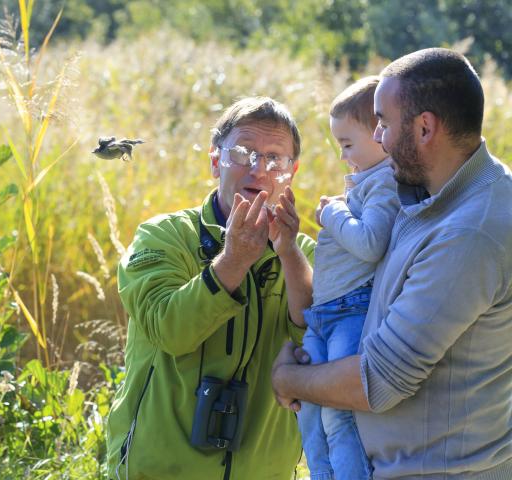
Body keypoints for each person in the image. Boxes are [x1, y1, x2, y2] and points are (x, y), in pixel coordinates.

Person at [272, 47, 512, 479]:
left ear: (424, 128)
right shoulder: (429, 195)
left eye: (383, 122)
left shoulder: (470, 232)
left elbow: (379, 381)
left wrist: (289, 380)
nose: (378, 138)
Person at [106, 96, 315, 479]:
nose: (259, 169)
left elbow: (319, 352)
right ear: (215, 160)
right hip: (161, 470)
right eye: (243, 152)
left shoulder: (302, 257)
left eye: (275, 158)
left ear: (293, 171)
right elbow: (170, 330)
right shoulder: (163, 236)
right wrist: (233, 260)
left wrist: (287, 256)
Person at [296, 76, 399, 480]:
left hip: (351, 311)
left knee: (338, 415)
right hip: (325, 315)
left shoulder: (385, 183)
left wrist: (332, 214)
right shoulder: (366, 183)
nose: (343, 157)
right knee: (308, 409)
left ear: (379, 133)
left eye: (347, 145)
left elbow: (371, 242)